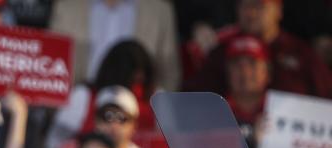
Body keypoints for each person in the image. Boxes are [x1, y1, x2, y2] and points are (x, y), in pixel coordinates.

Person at [188, 0, 332, 98]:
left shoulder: (301, 53)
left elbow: (326, 96)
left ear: (279, 10)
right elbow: (196, 97)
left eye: (259, 6)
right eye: (245, 5)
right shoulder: (221, 52)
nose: (251, 13)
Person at [49, 0, 181, 91]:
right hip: (78, 107)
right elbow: (51, 67)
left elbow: (169, 75)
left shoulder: (160, 12)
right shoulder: (66, 8)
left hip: (138, 109)